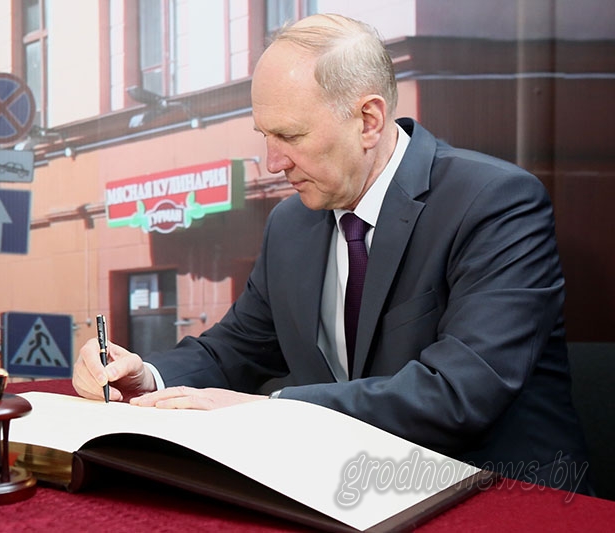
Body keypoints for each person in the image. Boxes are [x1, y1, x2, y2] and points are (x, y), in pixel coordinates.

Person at [73, 13, 590, 493]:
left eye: (290, 135)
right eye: (265, 135)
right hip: (349, 491)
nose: (273, 162)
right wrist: (146, 375)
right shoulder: (291, 222)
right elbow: (237, 349)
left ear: (368, 120)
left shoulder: (495, 202)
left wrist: (266, 411)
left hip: (505, 497)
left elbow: (459, 393)